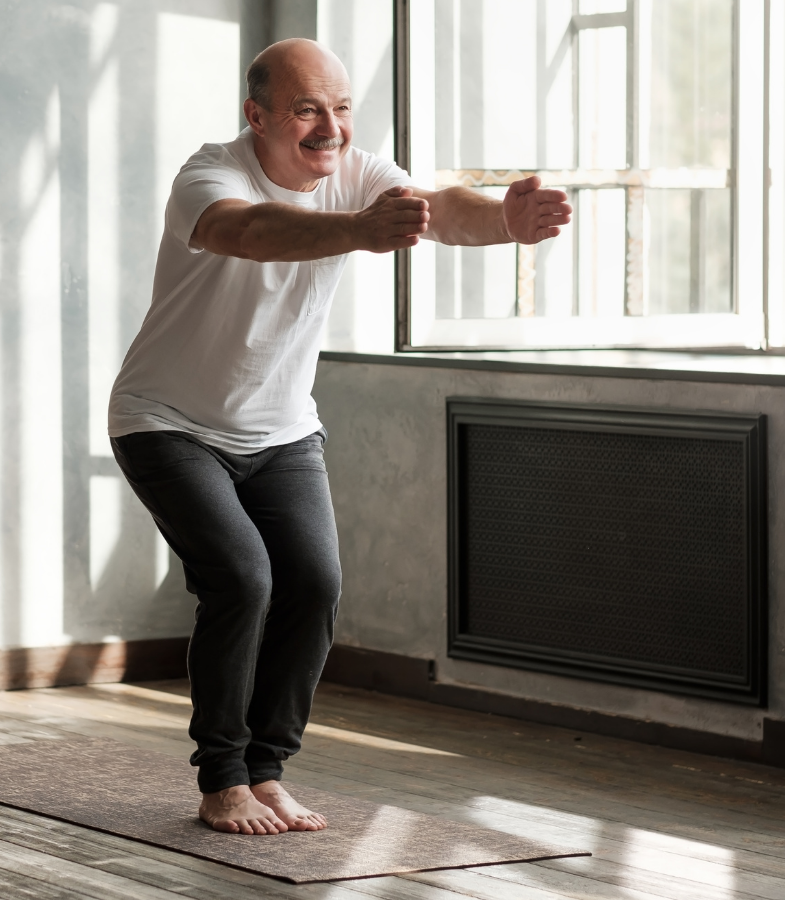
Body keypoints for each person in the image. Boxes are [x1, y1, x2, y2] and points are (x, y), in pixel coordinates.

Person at [108, 38, 571, 835]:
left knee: (314, 586)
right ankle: (221, 779)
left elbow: (436, 209)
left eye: (342, 108)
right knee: (242, 579)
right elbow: (250, 231)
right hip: (167, 421)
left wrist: (502, 218)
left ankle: (266, 769)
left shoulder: (358, 173)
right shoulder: (207, 176)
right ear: (256, 117)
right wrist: (358, 230)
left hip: (282, 429)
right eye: (306, 110)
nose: (331, 129)